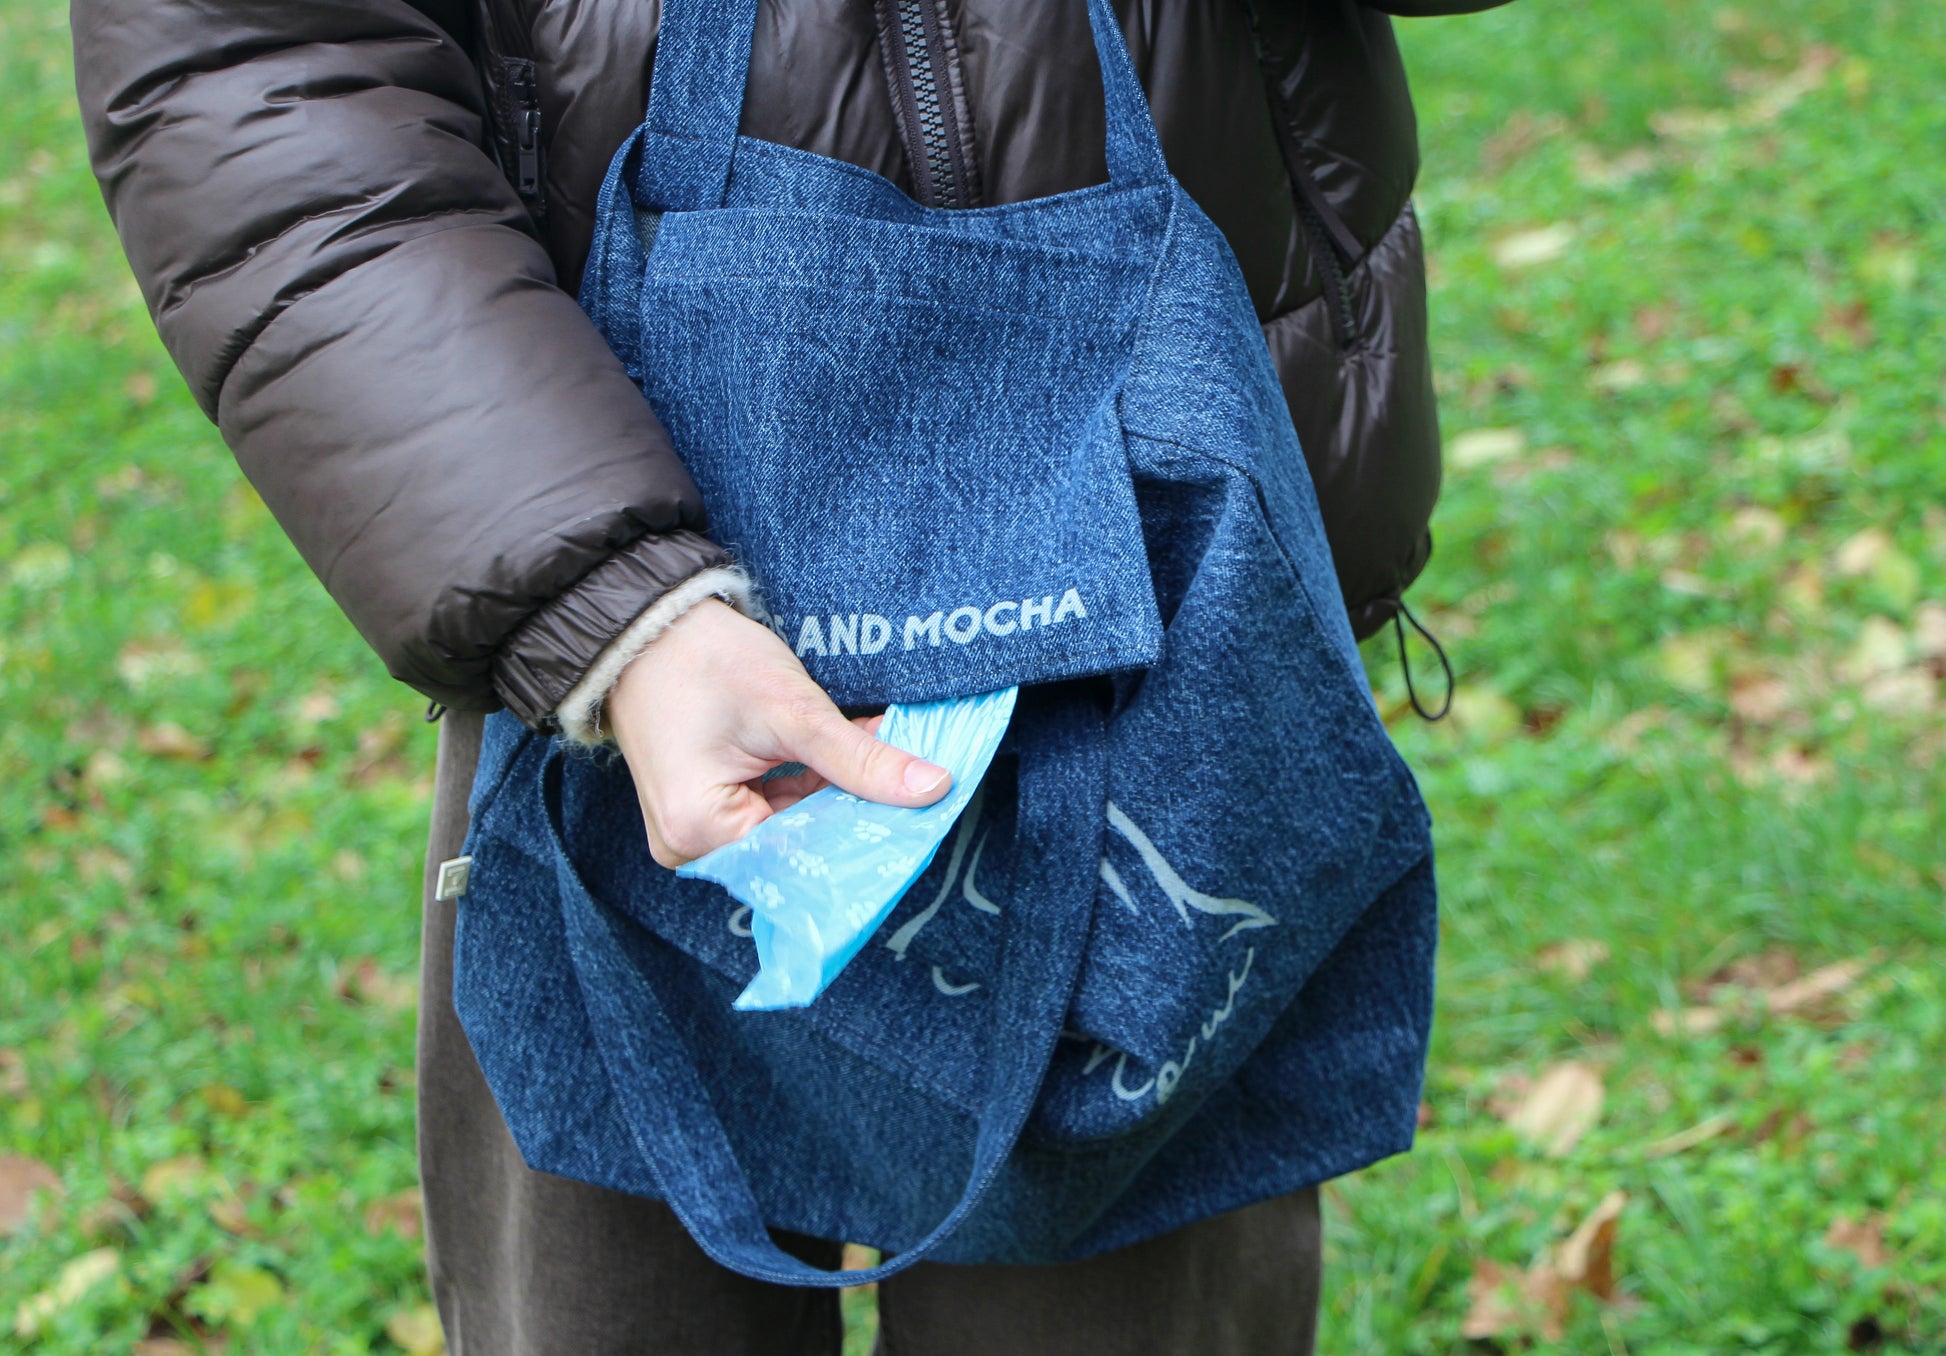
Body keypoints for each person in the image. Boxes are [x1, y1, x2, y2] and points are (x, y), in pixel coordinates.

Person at [75, 1, 1503, 1350]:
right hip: (600, 640)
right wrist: (601, 605)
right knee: (613, 1298)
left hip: (1165, 615)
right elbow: (253, 63)